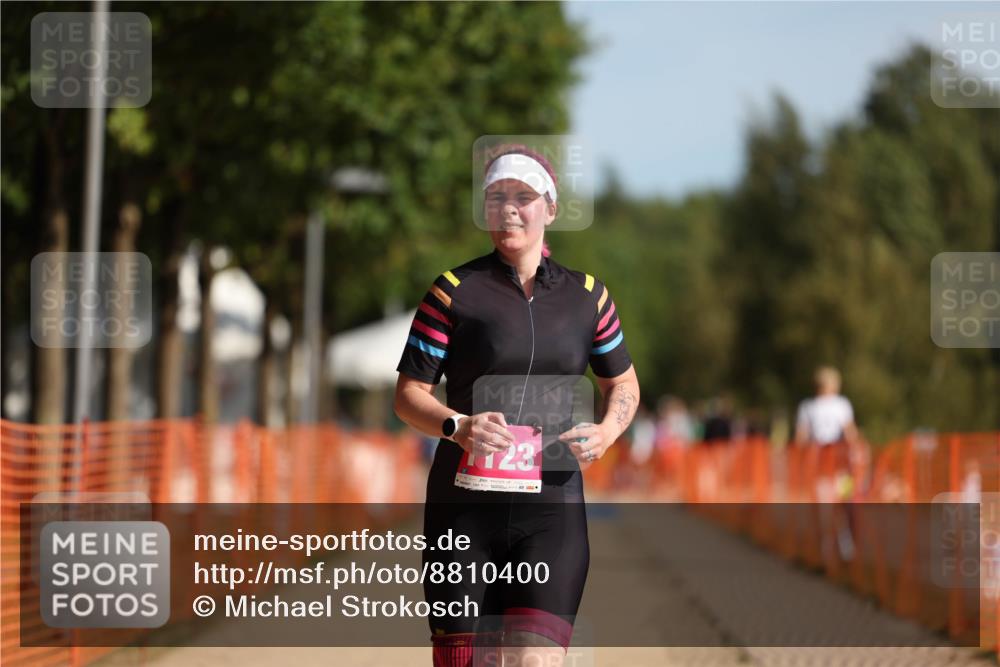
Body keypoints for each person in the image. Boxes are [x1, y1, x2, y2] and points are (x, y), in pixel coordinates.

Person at [393, 145, 640, 667]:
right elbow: (409, 395)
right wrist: (457, 425)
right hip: (464, 513)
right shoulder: (453, 292)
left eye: (523, 197)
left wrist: (607, 432)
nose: (509, 208)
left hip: (551, 512)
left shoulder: (588, 297)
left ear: (550, 208)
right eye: (496, 197)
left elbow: (624, 385)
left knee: (535, 660)